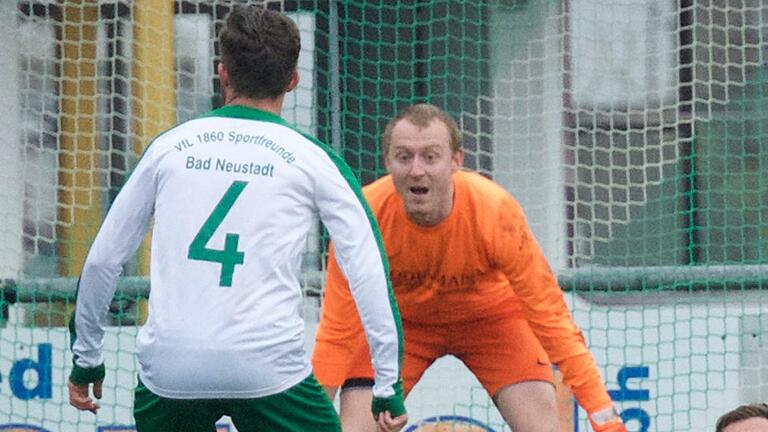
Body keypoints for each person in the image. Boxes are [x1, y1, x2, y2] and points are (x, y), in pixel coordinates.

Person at [67, 6, 407, 432]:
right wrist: (387, 383)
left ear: (222, 73)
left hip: (172, 369)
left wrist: (87, 359)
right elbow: (367, 272)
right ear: (292, 81)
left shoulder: (169, 148)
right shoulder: (316, 160)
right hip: (266, 367)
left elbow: (102, 261)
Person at [311, 103, 627, 432]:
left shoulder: (495, 212)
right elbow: (337, 334)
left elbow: (552, 319)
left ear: (456, 161)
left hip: (493, 322)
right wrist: (306, 422)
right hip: (400, 328)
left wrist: (606, 419)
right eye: (404, 157)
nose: (417, 170)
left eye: (431, 157)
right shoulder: (362, 219)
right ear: (387, 161)